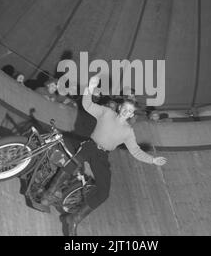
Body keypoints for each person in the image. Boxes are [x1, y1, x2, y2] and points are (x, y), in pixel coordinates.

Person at [60, 75, 167, 236]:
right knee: (73, 163)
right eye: (124, 108)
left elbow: (136, 151)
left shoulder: (128, 132)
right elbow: (87, 104)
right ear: (119, 108)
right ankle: (50, 192)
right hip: (90, 146)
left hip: (102, 156)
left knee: (104, 193)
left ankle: (74, 219)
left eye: (130, 111)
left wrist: (152, 160)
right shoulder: (106, 113)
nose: (126, 112)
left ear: (131, 115)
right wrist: (89, 88)